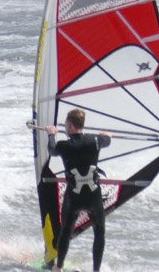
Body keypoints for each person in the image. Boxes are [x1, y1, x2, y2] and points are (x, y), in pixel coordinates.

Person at [44, 108, 112, 272]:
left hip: (74, 197)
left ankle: (58, 267)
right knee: (99, 233)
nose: (66, 128)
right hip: (93, 196)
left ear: (71, 125)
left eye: (66, 125)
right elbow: (107, 141)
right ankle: (96, 270)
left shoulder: (64, 145)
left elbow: (52, 150)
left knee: (66, 232)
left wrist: (52, 134)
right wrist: (106, 135)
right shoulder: (95, 141)